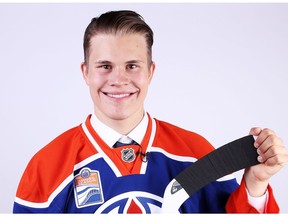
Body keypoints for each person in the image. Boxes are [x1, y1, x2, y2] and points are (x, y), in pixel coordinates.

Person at [13, 10, 288, 213]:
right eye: (105, 66)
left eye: (132, 66)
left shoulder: (196, 154)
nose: (118, 79)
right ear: (86, 72)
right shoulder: (45, 168)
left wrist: (255, 184)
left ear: (150, 72)